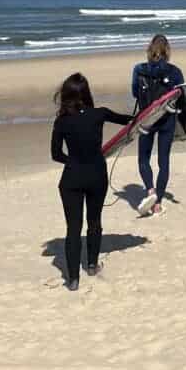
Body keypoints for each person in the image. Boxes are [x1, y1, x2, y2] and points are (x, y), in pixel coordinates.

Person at [51, 73, 132, 291]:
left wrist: (75, 161)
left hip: (72, 178)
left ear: (66, 95)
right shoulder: (100, 114)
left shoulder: (62, 121)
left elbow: (56, 154)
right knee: (94, 221)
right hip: (97, 175)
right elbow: (130, 120)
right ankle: (93, 265)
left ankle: (73, 280)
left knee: (73, 228)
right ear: (87, 93)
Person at [131, 34, 184, 216]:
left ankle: (150, 191)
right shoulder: (175, 72)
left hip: (147, 119)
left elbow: (134, 93)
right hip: (166, 120)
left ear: (149, 49)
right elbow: (182, 95)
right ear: (167, 51)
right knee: (164, 161)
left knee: (143, 158)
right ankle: (158, 204)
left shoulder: (139, 69)